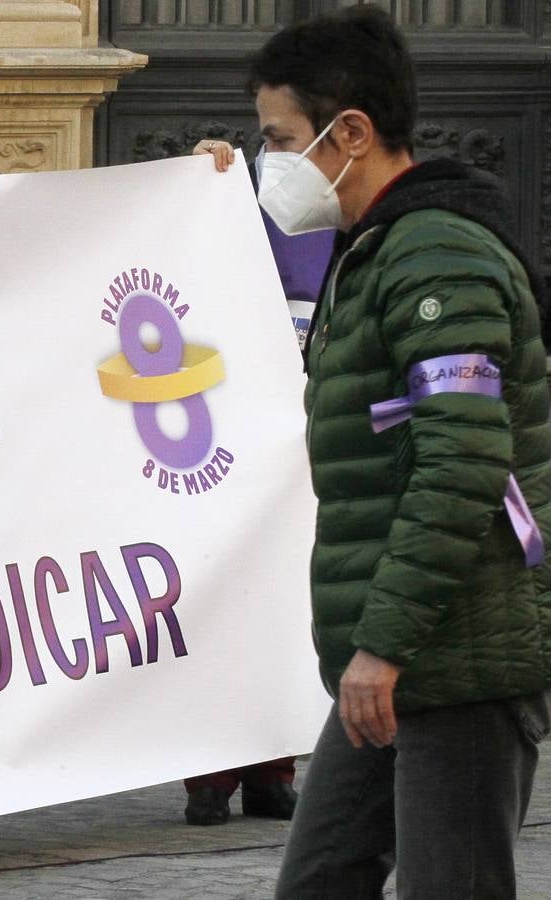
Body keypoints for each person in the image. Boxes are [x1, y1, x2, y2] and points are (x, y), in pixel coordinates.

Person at [225, 8, 551, 896]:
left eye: (279, 139)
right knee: (321, 878)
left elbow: (460, 464)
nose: (271, 163)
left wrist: (384, 644)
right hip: (400, 652)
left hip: (451, 655)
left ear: (351, 133)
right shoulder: (371, 251)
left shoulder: (434, 257)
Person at [174, 137, 335, 827]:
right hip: (215, 430)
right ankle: (207, 776)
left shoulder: (346, 202)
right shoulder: (228, 178)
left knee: (285, 606)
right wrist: (195, 168)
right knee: (213, 598)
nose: (282, 148)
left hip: (307, 436)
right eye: (272, 134)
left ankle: (274, 767)